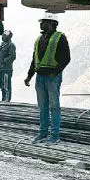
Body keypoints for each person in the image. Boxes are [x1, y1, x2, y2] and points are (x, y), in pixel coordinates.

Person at [24, 12, 70, 145]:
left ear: (51, 23)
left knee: (54, 106)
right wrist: (29, 76)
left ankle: (54, 136)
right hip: (40, 77)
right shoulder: (39, 39)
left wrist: (55, 72)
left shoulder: (60, 38)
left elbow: (66, 58)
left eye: (43, 22)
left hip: (52, 78)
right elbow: (35, 60)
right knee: (43, 106)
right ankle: (43, 133)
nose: (41, 24)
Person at [0, 30, 16, 102]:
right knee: (2, 86)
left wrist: (4, 61)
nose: (3, 36)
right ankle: (3, 99)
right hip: (1, 69)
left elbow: (12, 56)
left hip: (6, 69)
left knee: (6, 86)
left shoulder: (11, 45)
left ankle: (7, 101)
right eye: (3, 35)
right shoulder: (2, 45)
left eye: (5, 35)